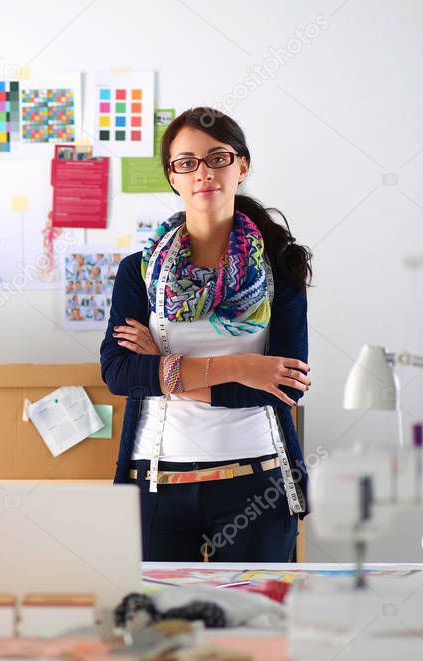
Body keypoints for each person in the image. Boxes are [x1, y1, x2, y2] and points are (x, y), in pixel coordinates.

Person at [100, 107, 312, 562]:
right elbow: (119, 374)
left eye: (217, 158)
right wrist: (243, 367)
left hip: (257, 485)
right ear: (173, 176)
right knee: (156, 629)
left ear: (242, 165)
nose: (203, 173)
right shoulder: (138, 273)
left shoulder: (280, 267)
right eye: (187, 162)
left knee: (251, 628)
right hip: (156, 484)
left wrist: (163, 369)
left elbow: (286, 388)